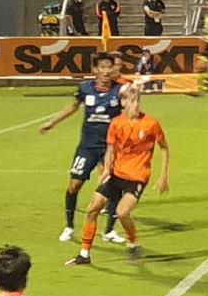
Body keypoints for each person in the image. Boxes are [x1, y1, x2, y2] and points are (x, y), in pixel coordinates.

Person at [66, 84, 169, 265]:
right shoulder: (116, 123)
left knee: (122, 212)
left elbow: (164, 148)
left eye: (137, 101)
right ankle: (84, 254)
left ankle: (133, 243)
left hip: (137, 177)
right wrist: (106, 169)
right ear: (123, 103)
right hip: (116, 175)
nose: (136, 105)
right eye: (131, 101)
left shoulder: (151, 123)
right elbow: (111, 149)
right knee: (92, 209)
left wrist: (163, 176)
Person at [39, 52, 126, 244]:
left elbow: (130, 113)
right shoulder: (85, 89)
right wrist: (52, 123)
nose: (106, 71)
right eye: (102, 67)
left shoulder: (120, 91)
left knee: (110, 186)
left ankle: (109, 231)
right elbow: (72, 108)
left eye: (109, 67)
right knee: (74, 185)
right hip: (87, 146)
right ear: (95, 70)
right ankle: (69, 226)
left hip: (110, 148)